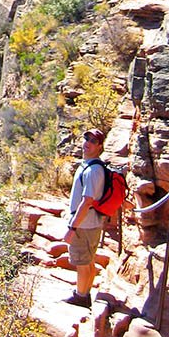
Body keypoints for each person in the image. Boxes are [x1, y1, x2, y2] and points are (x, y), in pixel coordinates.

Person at [63, 128, 106, 309]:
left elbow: (87, 201)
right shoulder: (90, 166)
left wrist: (72, 227)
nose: (87, 143)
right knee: (88, 261)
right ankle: (85, 294)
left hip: (84, 225)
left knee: (82, 263)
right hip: (90, 223)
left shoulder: (93, 170)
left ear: (100, 147)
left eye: (93, 141)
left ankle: (80, 296)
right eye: (86, 138)